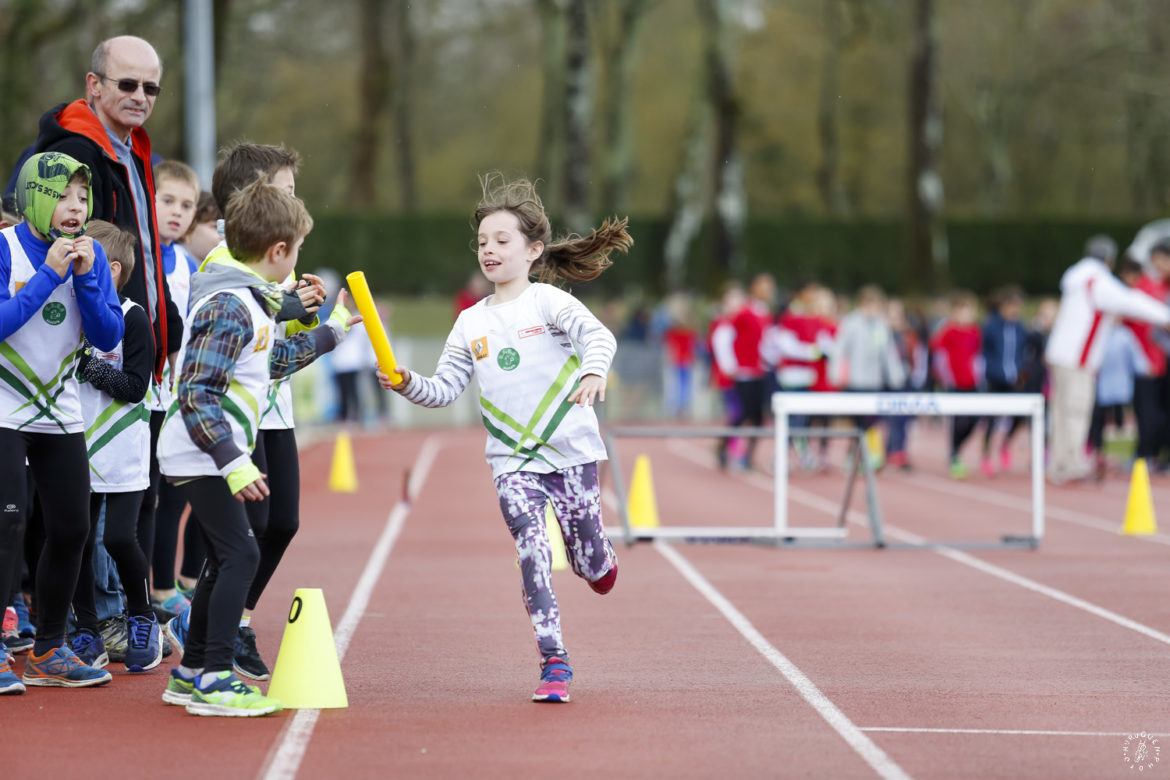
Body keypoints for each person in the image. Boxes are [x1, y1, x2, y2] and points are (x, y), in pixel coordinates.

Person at [378, 174, 629, 703]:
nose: (489, 250)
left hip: (573, 453)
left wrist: (592, 372)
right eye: (482, 242)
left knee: (586, 563)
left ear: (533, 250)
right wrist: (406, 383)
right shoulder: (470, 322)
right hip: (512, 462)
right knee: (532, 552)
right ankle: (554, 661)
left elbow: (597, 336)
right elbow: (444, 388)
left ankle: (598, 559)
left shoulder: (548, 303)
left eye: (502, 240)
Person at [156, 178, 356, 716]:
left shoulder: (253, 301)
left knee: (228, 557)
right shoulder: (229, 304)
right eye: (299, 250)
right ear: (279, 252)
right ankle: (216, 678)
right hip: (200, 453)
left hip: (210, 453)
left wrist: (333, 331)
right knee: (240, 554)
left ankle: (191, 671)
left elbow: (269, 364)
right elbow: (196, 393)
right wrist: (233, 462)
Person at [0, 152, 124, 692]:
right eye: (63, 196)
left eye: (82, 198)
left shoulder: (91, 255)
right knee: (8, 524)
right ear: (34, 198)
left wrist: (85, 279)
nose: (75, 208)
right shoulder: (6, 247)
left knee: (72, 528)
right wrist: (49, 274)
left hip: (59, 410)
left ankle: (49, 648)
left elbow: (108, 336)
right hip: (5, 405)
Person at [70, 220, 161, 672]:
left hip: (123, 447)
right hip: (76, 445)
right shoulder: (69, 312)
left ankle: (143, 618)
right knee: (78, 540)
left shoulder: (132, 316)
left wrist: (88, 366)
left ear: (113, 269)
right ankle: (87, 629)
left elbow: (135, 386)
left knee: (120, 538)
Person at [1045, 236, 1170, 484]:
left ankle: (1060, 462)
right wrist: (1165, 316)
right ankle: (1070, 465)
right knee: (1076, 411)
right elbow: (1130, 302)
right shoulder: (1096, 281)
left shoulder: (1078, 279)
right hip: (1077, 358)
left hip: (1062, 355)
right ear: (1109, 259)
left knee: (1061, 411)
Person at [148, 160, 203, 618]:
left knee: (179, 491)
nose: (176, 212)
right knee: (149, 496)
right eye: (167, 200)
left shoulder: (188, 264)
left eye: (186, 205)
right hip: (142, 397)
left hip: (181, 396)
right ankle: (158, 587)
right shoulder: (139, 256)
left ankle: (173, 584)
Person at [712, 273, 775, 470]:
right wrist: (729, 365)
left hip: (760, 371)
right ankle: (723, 447)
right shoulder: (744, 312)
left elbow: (767, 341)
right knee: (742, 414)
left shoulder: (766, 314)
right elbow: (724, 335)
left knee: (758, 417)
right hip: (743, 372)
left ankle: (749, 457)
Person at [930, 291, 983, 478]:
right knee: (959, 421)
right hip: (955, 384)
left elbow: (977, 356)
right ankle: (954, 455)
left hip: (973, 383)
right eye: (964, 311)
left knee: (975, 419)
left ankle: (957, 448)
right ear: (955, 312)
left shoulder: (974, 331)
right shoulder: (948, 331)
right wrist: (945, 378)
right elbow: (938, 354)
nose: (968, 315)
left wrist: (979, 376)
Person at [979, 286, 1027, 475]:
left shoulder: (1020, 327)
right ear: (1003, 306)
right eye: (1012, 306)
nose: (1015, 311)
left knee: (1020, 416)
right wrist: (989, 370)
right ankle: (986, 454)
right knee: (992, 419)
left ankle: (1006, 443)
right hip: (995, 378)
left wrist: (1022, 370)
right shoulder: (991, 326)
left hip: (1014, 379)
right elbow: (984, 351)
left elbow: (1023, 351)